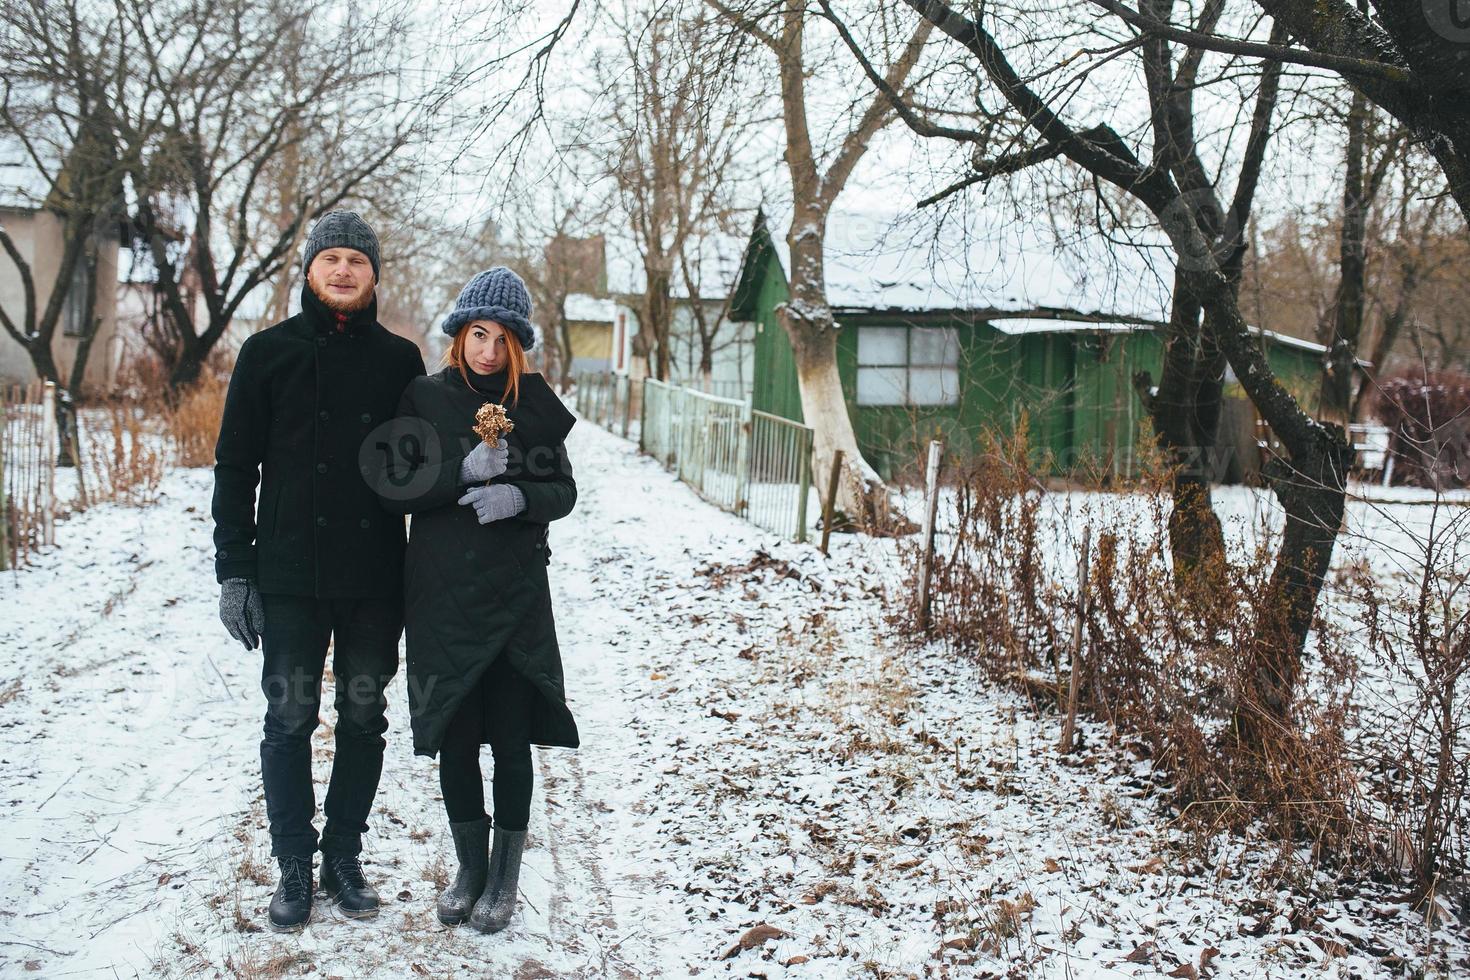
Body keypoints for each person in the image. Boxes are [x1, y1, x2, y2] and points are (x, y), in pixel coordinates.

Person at [212, 210, 427, 931]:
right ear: (308, 269)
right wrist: (235, 570)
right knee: (290, 716)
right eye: (330, 257)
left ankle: (342, 853)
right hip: (290, 576)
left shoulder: (401, 361)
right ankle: (295, 865)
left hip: (372, 579)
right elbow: (235, 467)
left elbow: (420, 472)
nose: (342, 270)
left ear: (374, 275)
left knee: (364, 714)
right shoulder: (266, 353)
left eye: (356, 261)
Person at [368, 265, 579, 934]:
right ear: (459, 333)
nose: (487, 350)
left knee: (511, 744)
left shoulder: (534, 405)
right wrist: (457, 469)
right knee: (456, 742)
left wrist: (521, 498)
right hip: (440, 596)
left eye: (502, 339)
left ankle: (506, 877)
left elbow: (563, 492)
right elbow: (393, 482)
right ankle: (469, 869)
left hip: (514, 598)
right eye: (477, 333)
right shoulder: (425, 398)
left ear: (518, 345)